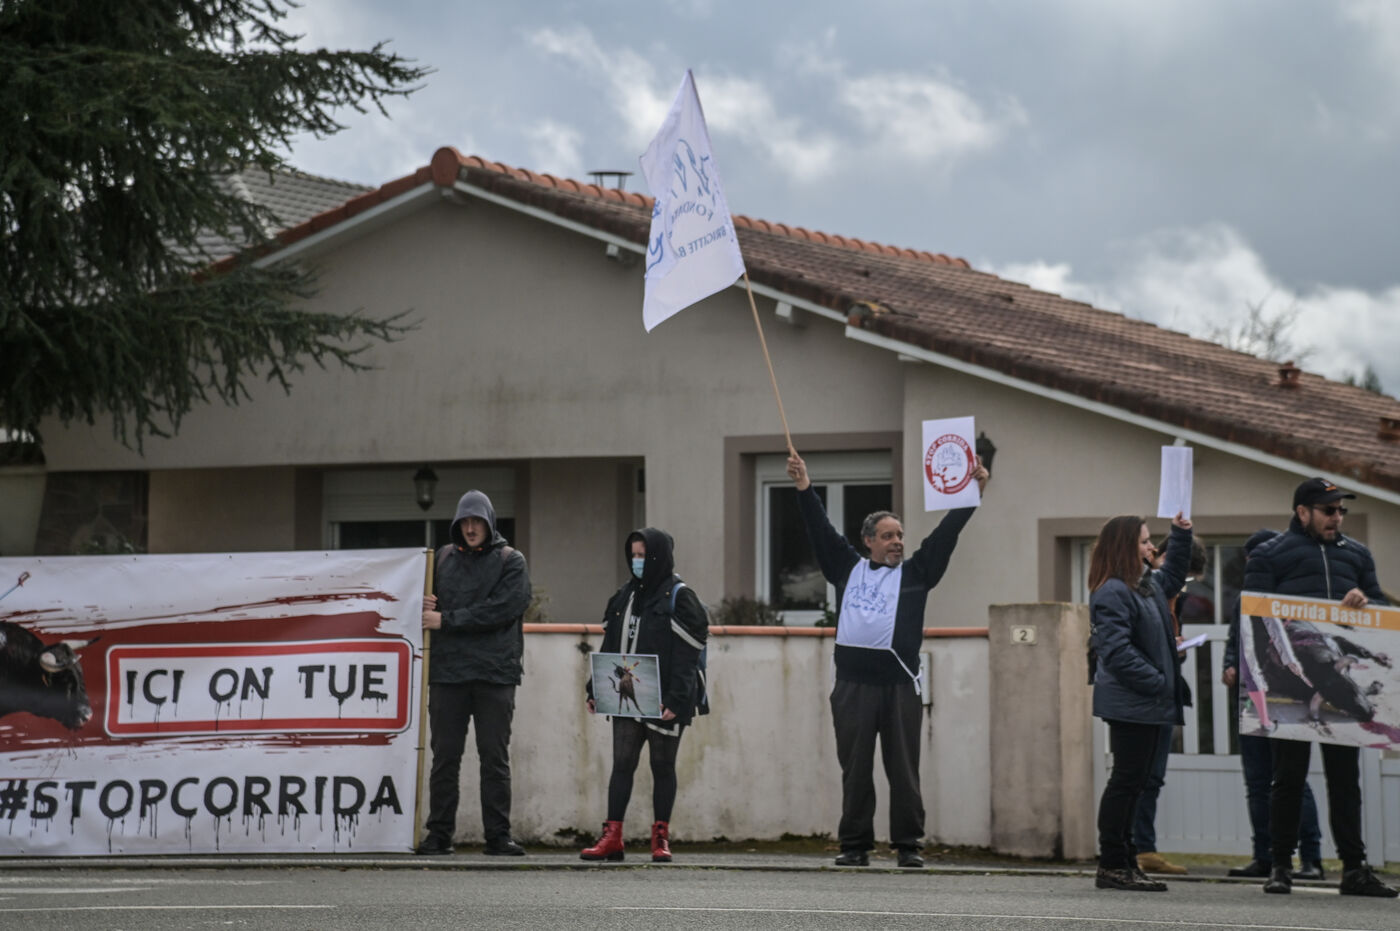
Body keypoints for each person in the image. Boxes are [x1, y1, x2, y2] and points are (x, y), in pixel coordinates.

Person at [786, 450, 989, 868]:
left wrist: (972, 493)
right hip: (852, 687)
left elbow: (946, 534)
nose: (897, 541)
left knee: (904, 768)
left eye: (900, 535)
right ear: (869, 541)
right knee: (855, 768)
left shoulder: (917, 574)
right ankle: (855, 845)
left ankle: (908, 845)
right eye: (888, 535)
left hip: (898, 686)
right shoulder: (846, 568)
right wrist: (804, 485)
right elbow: (820, 529)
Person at [1246, 477, 1396, 897]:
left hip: (1338, 672)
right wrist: (1233, 665)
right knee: (1287, 778)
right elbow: (1251, 614)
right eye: (1329, 511)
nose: (1337, 518)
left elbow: (1381, 608)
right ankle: (1280, 866)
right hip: (1290, 679)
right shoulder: (1270, 555)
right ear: (1303, 512)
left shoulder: (1357, 554)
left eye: (1341, 511)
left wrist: (1367, 603)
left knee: (1345, 780)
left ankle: (1354, 869)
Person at [580, 528, 708, 863]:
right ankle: (612, 837)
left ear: (659, 557)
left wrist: (676, 699)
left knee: (662, 766)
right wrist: (595, 689)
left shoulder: (680, 597)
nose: (637, 562)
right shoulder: (624, 595)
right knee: (622, 763)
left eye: (643, 555)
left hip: (666, 700)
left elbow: (688, 656)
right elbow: (610, 644)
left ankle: (660, 838)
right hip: (626, 695)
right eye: (633, 555)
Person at [416, 490, 531, 856]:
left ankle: (498, 836)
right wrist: (423, 600)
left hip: (495, 675)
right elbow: (424, 607)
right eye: (464, 522)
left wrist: (446, 619)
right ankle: (438, 835)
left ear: (489, 523)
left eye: (476, 521)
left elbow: (503, 609)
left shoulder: (511, 560)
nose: (470, 528)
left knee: (494, 758)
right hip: (447, 674)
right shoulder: (442, 559)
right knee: (444, 758)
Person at [1089, 512, 1192, 892]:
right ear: (1125, 546)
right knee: (1126, 782)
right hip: (1133, 702)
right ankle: (1112, 864)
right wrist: (1158, 681)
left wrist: (1181, 534)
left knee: (1135, 784)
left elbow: (1174, 576)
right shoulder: (1113, 591)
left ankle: (1127, 862)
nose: (1151, 547)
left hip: (1147, 701)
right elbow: (1116, 651)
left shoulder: (1145, 585)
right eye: (1145, 541)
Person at [1221, 529, 1325, 881]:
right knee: (1257, 780)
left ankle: (1310, 857)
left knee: (1290, 779)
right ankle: (1264, 856)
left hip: (1283, 694)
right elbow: (1235, 639)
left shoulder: (1292, 598)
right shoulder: (1243, 599)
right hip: (1249, 697)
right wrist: (1229, 665)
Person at [1132, 539, 1203, 876]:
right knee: (1136, 776)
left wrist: (1179, 650)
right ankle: (1133, 847)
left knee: (1154, 776)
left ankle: (1144, 848)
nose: (1181, 583)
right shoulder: (1141, 592)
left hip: (1165, 693)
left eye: (1188, 579)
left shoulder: (1175, 599)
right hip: (1144, 696)